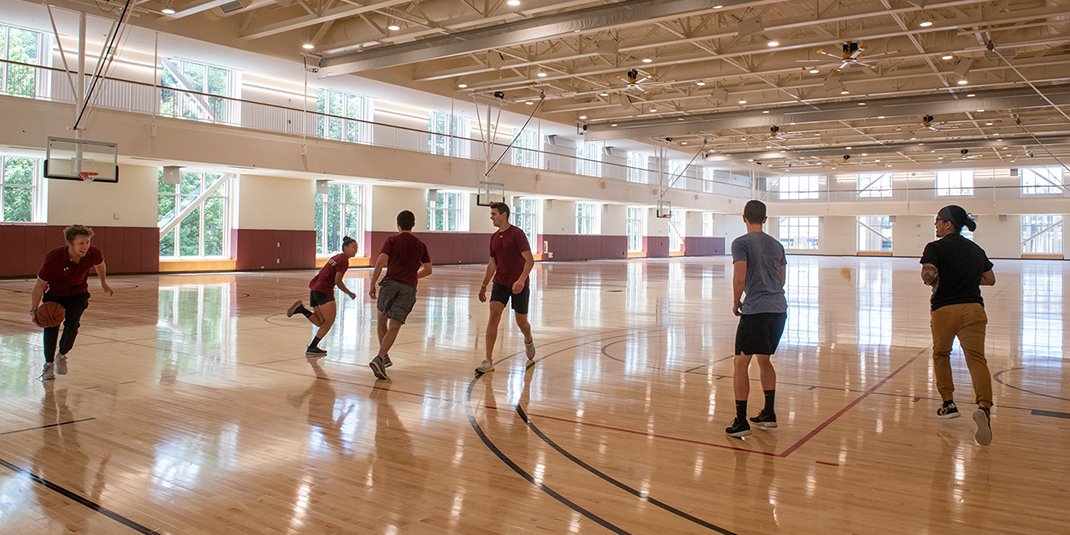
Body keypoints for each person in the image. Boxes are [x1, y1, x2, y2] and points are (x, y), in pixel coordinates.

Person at [921, 205, 996, 446]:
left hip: (945, 311)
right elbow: (990, 279)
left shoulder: (935, 247)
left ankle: (948, 404)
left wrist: (934, 275)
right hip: (974, 309)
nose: (935, 226)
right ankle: (984, 408)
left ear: (948, 224)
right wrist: (965, 277)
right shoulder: (976, 249)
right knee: (976, 359)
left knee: (941, 354)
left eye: (938, 221)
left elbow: (928, 275)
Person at [726, 200, 787, 438]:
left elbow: (740, 276)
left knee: (741, 363)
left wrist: (736, 300)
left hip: (756, 311)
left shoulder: (741, 243)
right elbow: (782, 279)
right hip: (778, 309)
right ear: (764, 218)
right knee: (764, 359)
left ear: (744, 217)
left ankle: (741, 421)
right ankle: (768, 413)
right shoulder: (777, 244)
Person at [30, 225, 113, 380]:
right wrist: (33, 311)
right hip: (54, 294)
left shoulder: (93, 253)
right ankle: (48, 365)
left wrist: (103, 282)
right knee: (51, 326)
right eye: (81, 243)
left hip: (78, 293)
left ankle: (61, 355)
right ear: (70, 243)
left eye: (87, 242)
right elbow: (39, 285)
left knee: (73, 324)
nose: (85, 246)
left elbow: (100, 265)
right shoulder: (53, 258)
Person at [367, 210, 432, 380]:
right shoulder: (420, 245)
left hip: (389, 285)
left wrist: (373, 283)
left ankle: (381, 357)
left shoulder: (392, 240)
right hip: (408, 289)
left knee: (382, 319)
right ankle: (382, 357)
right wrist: (414, 276)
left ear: (398, 224)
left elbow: (381, 262)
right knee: (395, 325)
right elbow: (428, 269)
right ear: (413, 224)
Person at [475, 202, 536, 374]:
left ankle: (528, 338)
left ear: (504, 214)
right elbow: (492, 264)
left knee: (521, 322)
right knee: (494, 314)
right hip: (500, 282)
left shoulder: (517, 234)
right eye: (491, 214)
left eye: (494, 214)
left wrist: (521, 280)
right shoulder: (493, 238)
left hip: (519, 284)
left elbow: (530, 260)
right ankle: (488, 360)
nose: (491, 217)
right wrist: (484, 285)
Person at [287, 236, 358, 355]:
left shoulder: (337, 257)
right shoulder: (343, 260)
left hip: (314, 289)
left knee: (321, 322)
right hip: (324, 291)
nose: (356, 250)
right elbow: (338, 281)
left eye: (357, 248)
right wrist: (349, 293)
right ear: (345, 248)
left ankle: (301, 310)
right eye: (354, 247)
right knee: (329, 322)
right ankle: (312, 347)